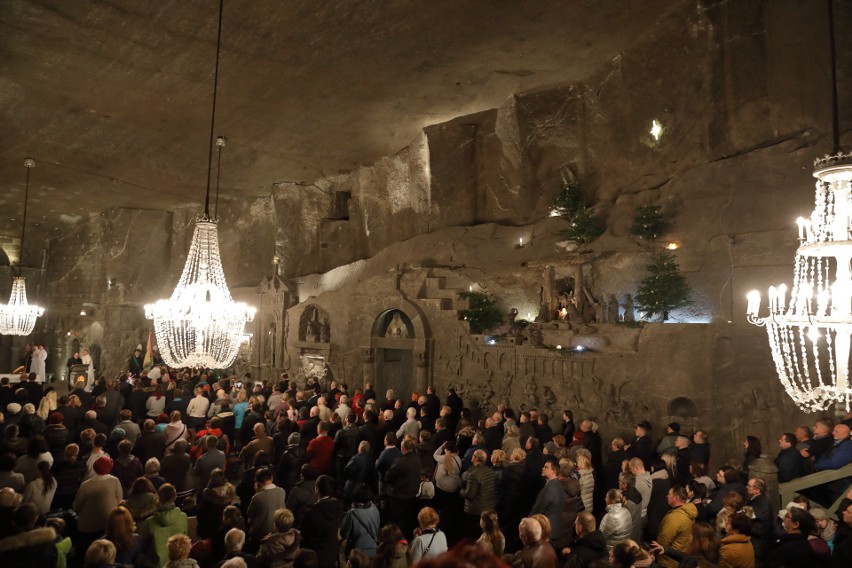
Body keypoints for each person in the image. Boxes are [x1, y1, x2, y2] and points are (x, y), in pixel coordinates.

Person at [74, 456, 123, 545]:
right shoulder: (115, 481)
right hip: (108, 525)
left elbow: (76, 506)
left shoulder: (85, 485)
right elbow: (120, 501)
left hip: (87, 527)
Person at [137, 483, 188, 568]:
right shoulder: (183, 518)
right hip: (178, 564)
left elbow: (141, 546)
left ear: (158, 498)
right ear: (175, 497)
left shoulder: (149, 523)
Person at [300, 474, 344, 568]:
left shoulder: (311, 512)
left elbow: (303, 534)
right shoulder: (338, 506)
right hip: (332, 554)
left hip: (314, 558)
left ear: (317, 489)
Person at [655, 485, 698, 568]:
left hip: (668, 560)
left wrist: (656, 552)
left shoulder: (674, 518)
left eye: (669, 494)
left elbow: (663, 541)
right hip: (680, 554)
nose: (667, 496)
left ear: (676, 498)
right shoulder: (689, 510)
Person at [246, 467, 287, 549]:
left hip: (260, 534)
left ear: (257, 482)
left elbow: (250, 514)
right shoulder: (282, 491)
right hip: (277, 532)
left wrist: (257, 493)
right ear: (271, 478)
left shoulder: (257, 497)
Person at [340, 483, 380, 558]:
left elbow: (344, 534)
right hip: (373, 550)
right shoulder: (374, 508)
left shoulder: (351, 514)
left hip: (357, 553)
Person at [599, 488, 633, 554]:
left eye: (606, 497)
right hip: (623, 550)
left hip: (613, 553)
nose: (605, 499)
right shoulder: (626, 510)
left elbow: (601, 537)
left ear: (611, 500)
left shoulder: (610, 517)